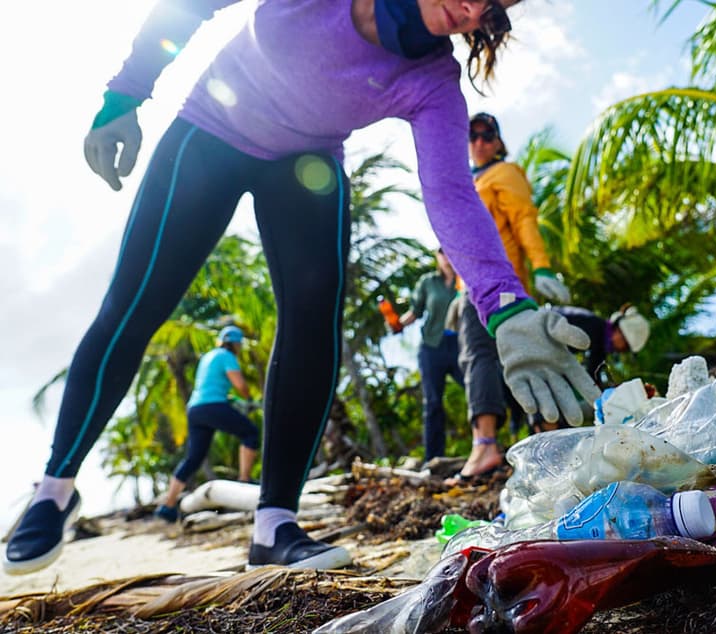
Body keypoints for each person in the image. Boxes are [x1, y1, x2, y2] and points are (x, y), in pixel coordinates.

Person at [4, 0, 599, 575]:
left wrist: (508, 307)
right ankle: (55, 489)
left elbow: (449, 193)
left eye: (495, 6)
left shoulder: (432, 77)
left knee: (314, 322)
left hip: (305, 164)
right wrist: (125, 94)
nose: (474, 13)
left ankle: (274, 524)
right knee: (136, 304)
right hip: (210, 131)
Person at [449, 112, 572, 483]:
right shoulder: (468, 182)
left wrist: (542, 267)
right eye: (473, 136)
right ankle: (528, 442)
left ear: (499, 142)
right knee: (496, 363)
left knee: (491, 357)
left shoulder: (504, 174)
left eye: (488, 136)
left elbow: (523, 220)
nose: (480, 143)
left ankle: (493, 443)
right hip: (472, 287)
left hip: (499, 286)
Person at [154, 326, 260, 523]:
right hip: (212, 405)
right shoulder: (227, 355)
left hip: (195, 409)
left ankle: (167, 505)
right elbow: (240, 384)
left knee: (194, 458)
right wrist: (249, 400)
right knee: (250, 433)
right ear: (235, 344)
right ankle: (245, 479)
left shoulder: (208, 356)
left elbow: (209, 385)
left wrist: (228, 399)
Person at [528, 304, 651, 432]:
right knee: (546, 409)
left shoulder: (599, 341)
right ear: (620, 334)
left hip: (540, 352)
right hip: (532, 338)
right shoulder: (592, 327)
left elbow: (591, 377)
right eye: (625, 347)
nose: (621, 351)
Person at [399, 248, 464, 462]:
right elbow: (415, 311)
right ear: (437, 257)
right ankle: (433, 458)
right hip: (432, 347)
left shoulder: (464, 280)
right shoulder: (428, 282)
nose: (447, 255)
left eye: (449, 249)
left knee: (478, 391)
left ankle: (485, 445)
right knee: (433, 402)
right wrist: (397, 324)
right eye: (442, 252)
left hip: (460, 346)